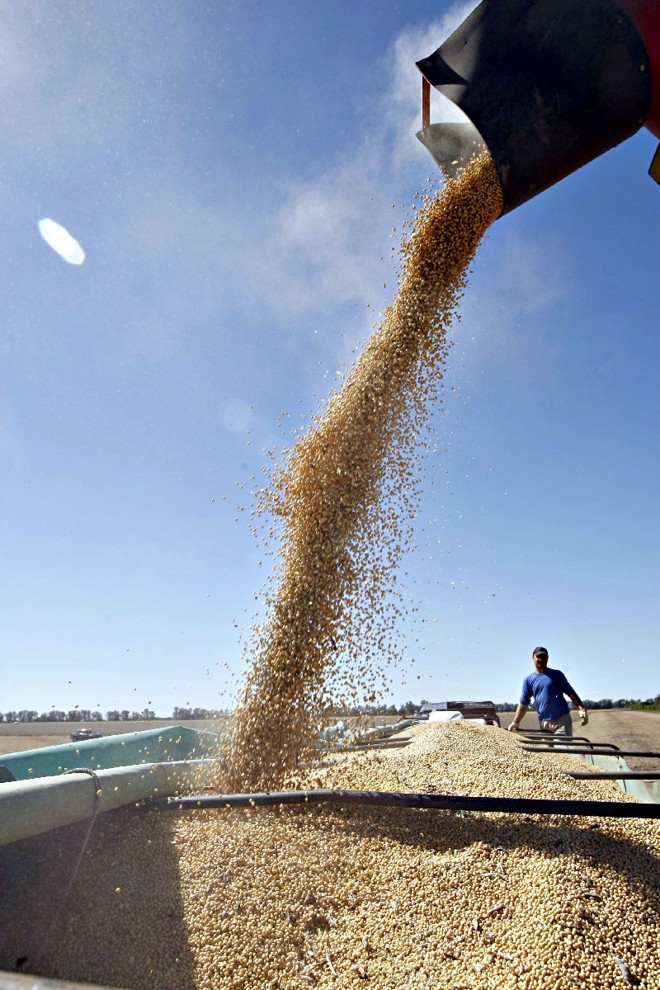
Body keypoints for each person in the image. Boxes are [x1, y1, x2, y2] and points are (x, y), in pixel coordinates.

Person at [508, 646, 588, 736]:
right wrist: (516, 722)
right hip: (544, 723)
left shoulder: (557, 675)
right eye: (538, 657)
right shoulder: (528, 680)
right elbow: (523, 703)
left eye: (544, 657)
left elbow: (570, 692)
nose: (541, 659)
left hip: (561, 720)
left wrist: (582, 708)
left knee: (561, 745)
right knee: (547, 746)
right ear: (533, 658)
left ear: (547, 658)